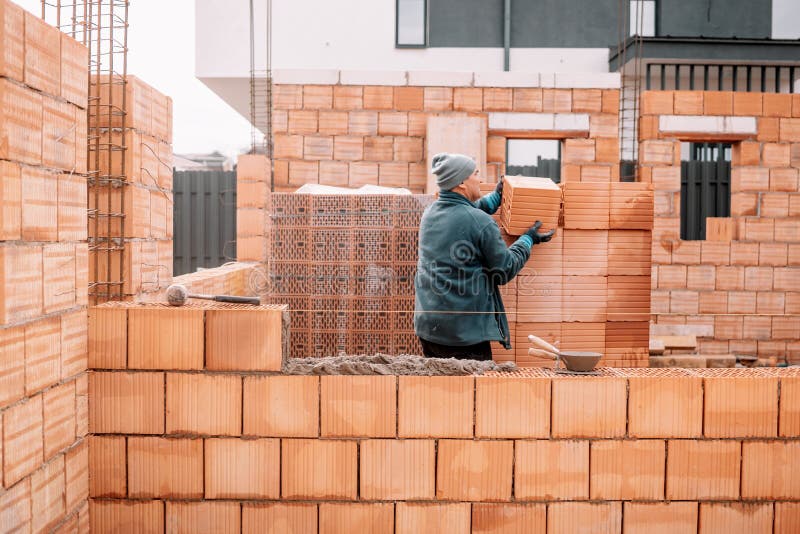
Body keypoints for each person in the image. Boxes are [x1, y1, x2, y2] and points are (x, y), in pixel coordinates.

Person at [414, 152, 555, 360]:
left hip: (430, 329)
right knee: (474, 391)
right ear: (461, 183)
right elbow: (505, 269)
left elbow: (464, 215)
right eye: (476, 174)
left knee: (439, 391)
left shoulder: (430, 213)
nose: (480, 179)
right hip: (463, 337)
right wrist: (527, 240)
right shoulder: (479, 222)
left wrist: (495, 199)